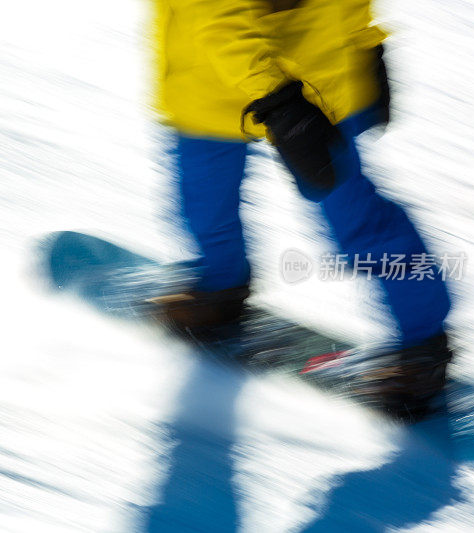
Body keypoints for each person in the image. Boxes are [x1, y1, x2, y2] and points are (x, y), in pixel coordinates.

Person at [150, 0, 451, 413]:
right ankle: (219, 290)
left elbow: (222, 20)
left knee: (353, 215)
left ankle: (423, 346)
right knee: (204, 198)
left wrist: (364, 46)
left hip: (306, 85)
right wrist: (358, 50)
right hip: (213, 81)